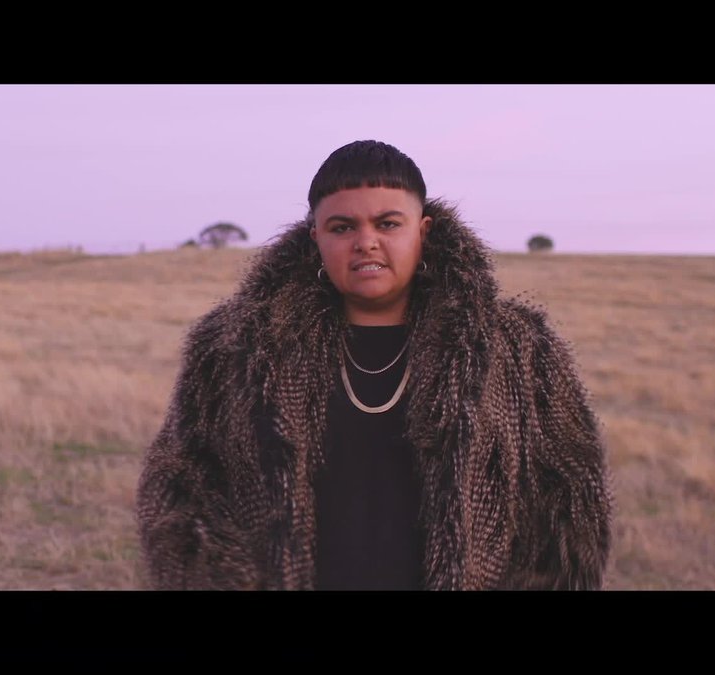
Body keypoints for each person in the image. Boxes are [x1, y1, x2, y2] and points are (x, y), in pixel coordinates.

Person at [136, 140, 614, 590]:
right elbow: (182, 487)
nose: (366, 242)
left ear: (423, 230)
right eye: (342, 227)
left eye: (388, 224)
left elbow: (568, 506)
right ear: (315, 237)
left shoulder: (517, 348)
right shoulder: (235, 346)